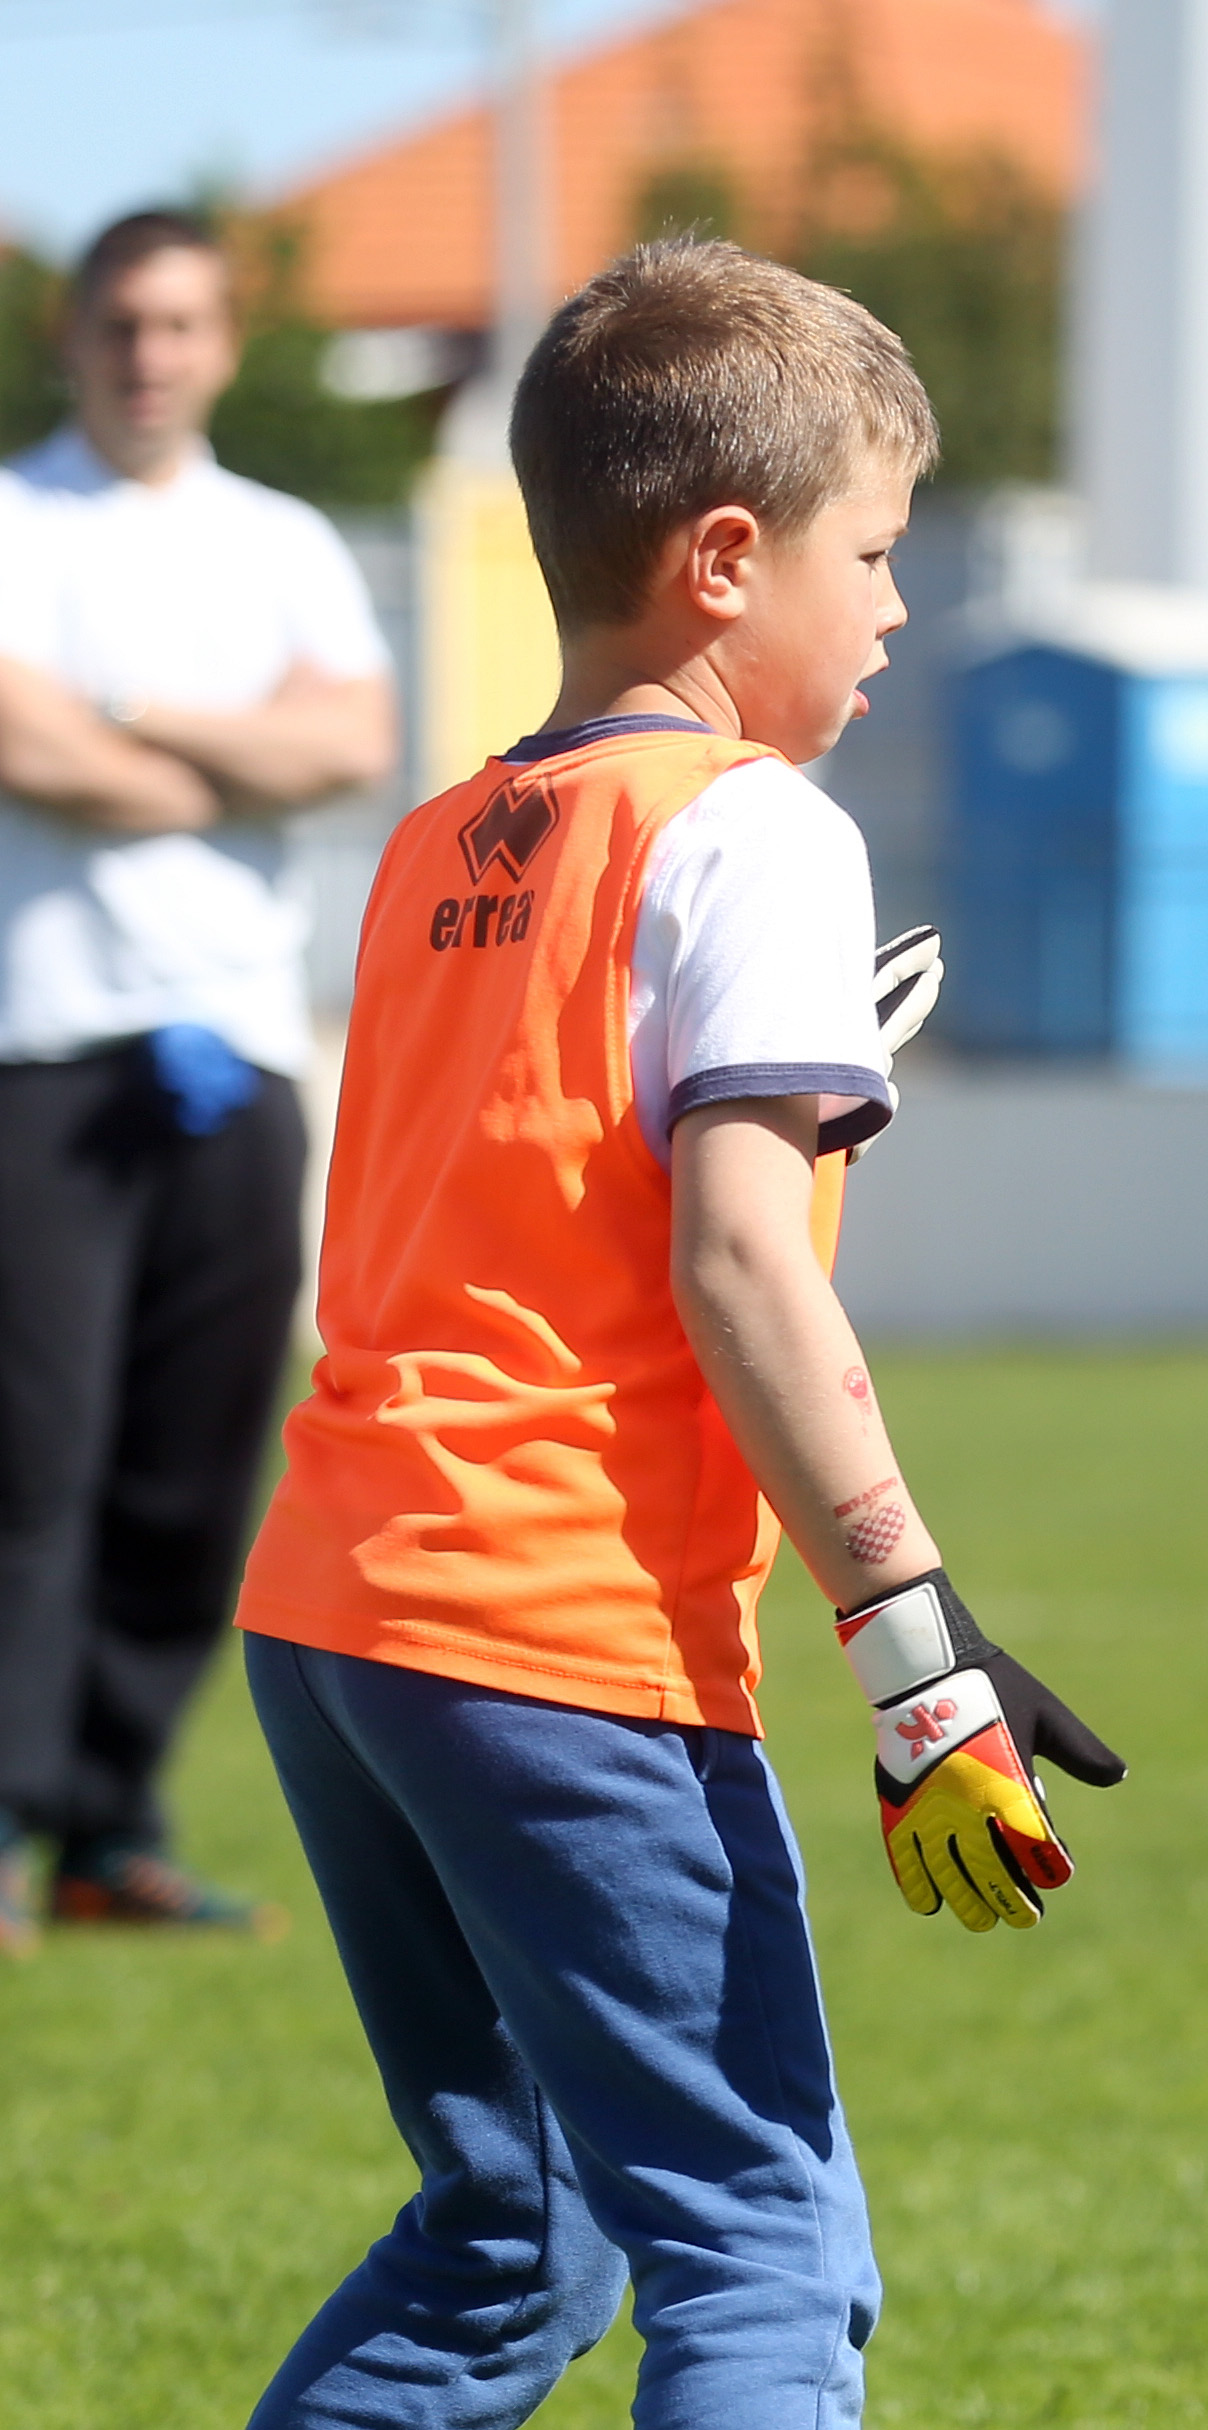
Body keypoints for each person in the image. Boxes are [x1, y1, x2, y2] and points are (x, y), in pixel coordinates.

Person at [232, 239, 1124, 2427]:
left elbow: (550, 1199)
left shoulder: (450, 834)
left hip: (342, 1619)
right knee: (751, 2247)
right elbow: (741, 1263)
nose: (897, 611)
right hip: (560, 1636)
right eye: (876, 554)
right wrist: (911, 1643)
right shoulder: (756, 831)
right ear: (728, 560)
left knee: (514, 2245)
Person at [0, 207, 397, 1949]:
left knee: (194, 1465)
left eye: (178, 326)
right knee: (30, 1457)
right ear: (72, 335)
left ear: (223, 343)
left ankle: (108, 1828)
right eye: (119, 325)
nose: (147, 354)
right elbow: (22, 745)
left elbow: (356, 743)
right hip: (40, 1048)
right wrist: (233, 756)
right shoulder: (15, 518)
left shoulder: (285, 542)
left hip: (233, 1056)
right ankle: (3, 1820)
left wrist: (129, 717)